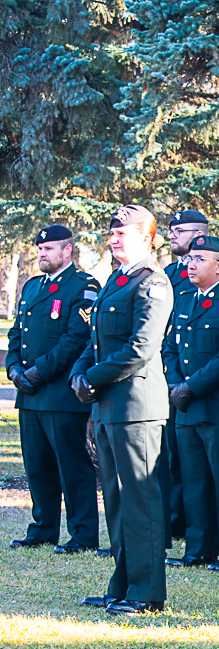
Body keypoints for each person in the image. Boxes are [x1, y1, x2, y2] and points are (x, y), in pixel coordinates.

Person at [72, 205, 174, 615]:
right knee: (115, 499)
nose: (114, 240)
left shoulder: (154, 283)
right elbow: (94, 340)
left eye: (123, 234)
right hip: (109, 405)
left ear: (148, 239)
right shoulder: (115, 280)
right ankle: (122, 585)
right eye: (112, 234)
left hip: (137, 405)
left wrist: (92, 378)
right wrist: (79, 374)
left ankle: (147, 592)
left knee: (141, 500)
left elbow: (140, 347)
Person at [7, 225, 101, 553]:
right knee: (37, 466)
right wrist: (15, 368)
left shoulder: (84, 286)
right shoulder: (32, 288)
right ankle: (43, 529)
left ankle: (83, 535)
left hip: (61, 394)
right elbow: (17, 333)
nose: (42, 254)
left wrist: (38, 371)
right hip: (29, 394)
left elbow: (76, 338)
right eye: (40, 249)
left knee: (71, 466)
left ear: (67, 250)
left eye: (49, 249)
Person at [162, 235, 219, 572]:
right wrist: (174, 382)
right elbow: (170, 346)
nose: (191, 264)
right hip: (185, 405)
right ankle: (198, 549)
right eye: (189, 258)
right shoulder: (183, 300)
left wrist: (191, 386)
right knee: (194, 479)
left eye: (199, 259)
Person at [161, 210, 207, 540]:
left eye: (181, 230)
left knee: (187, 459)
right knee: (169, 454)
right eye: (171, 230)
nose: (173, 235)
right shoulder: (165, 273)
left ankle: (190, 522)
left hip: (191, 380)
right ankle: (174, 519)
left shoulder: (209, 274)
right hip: (165, 372)